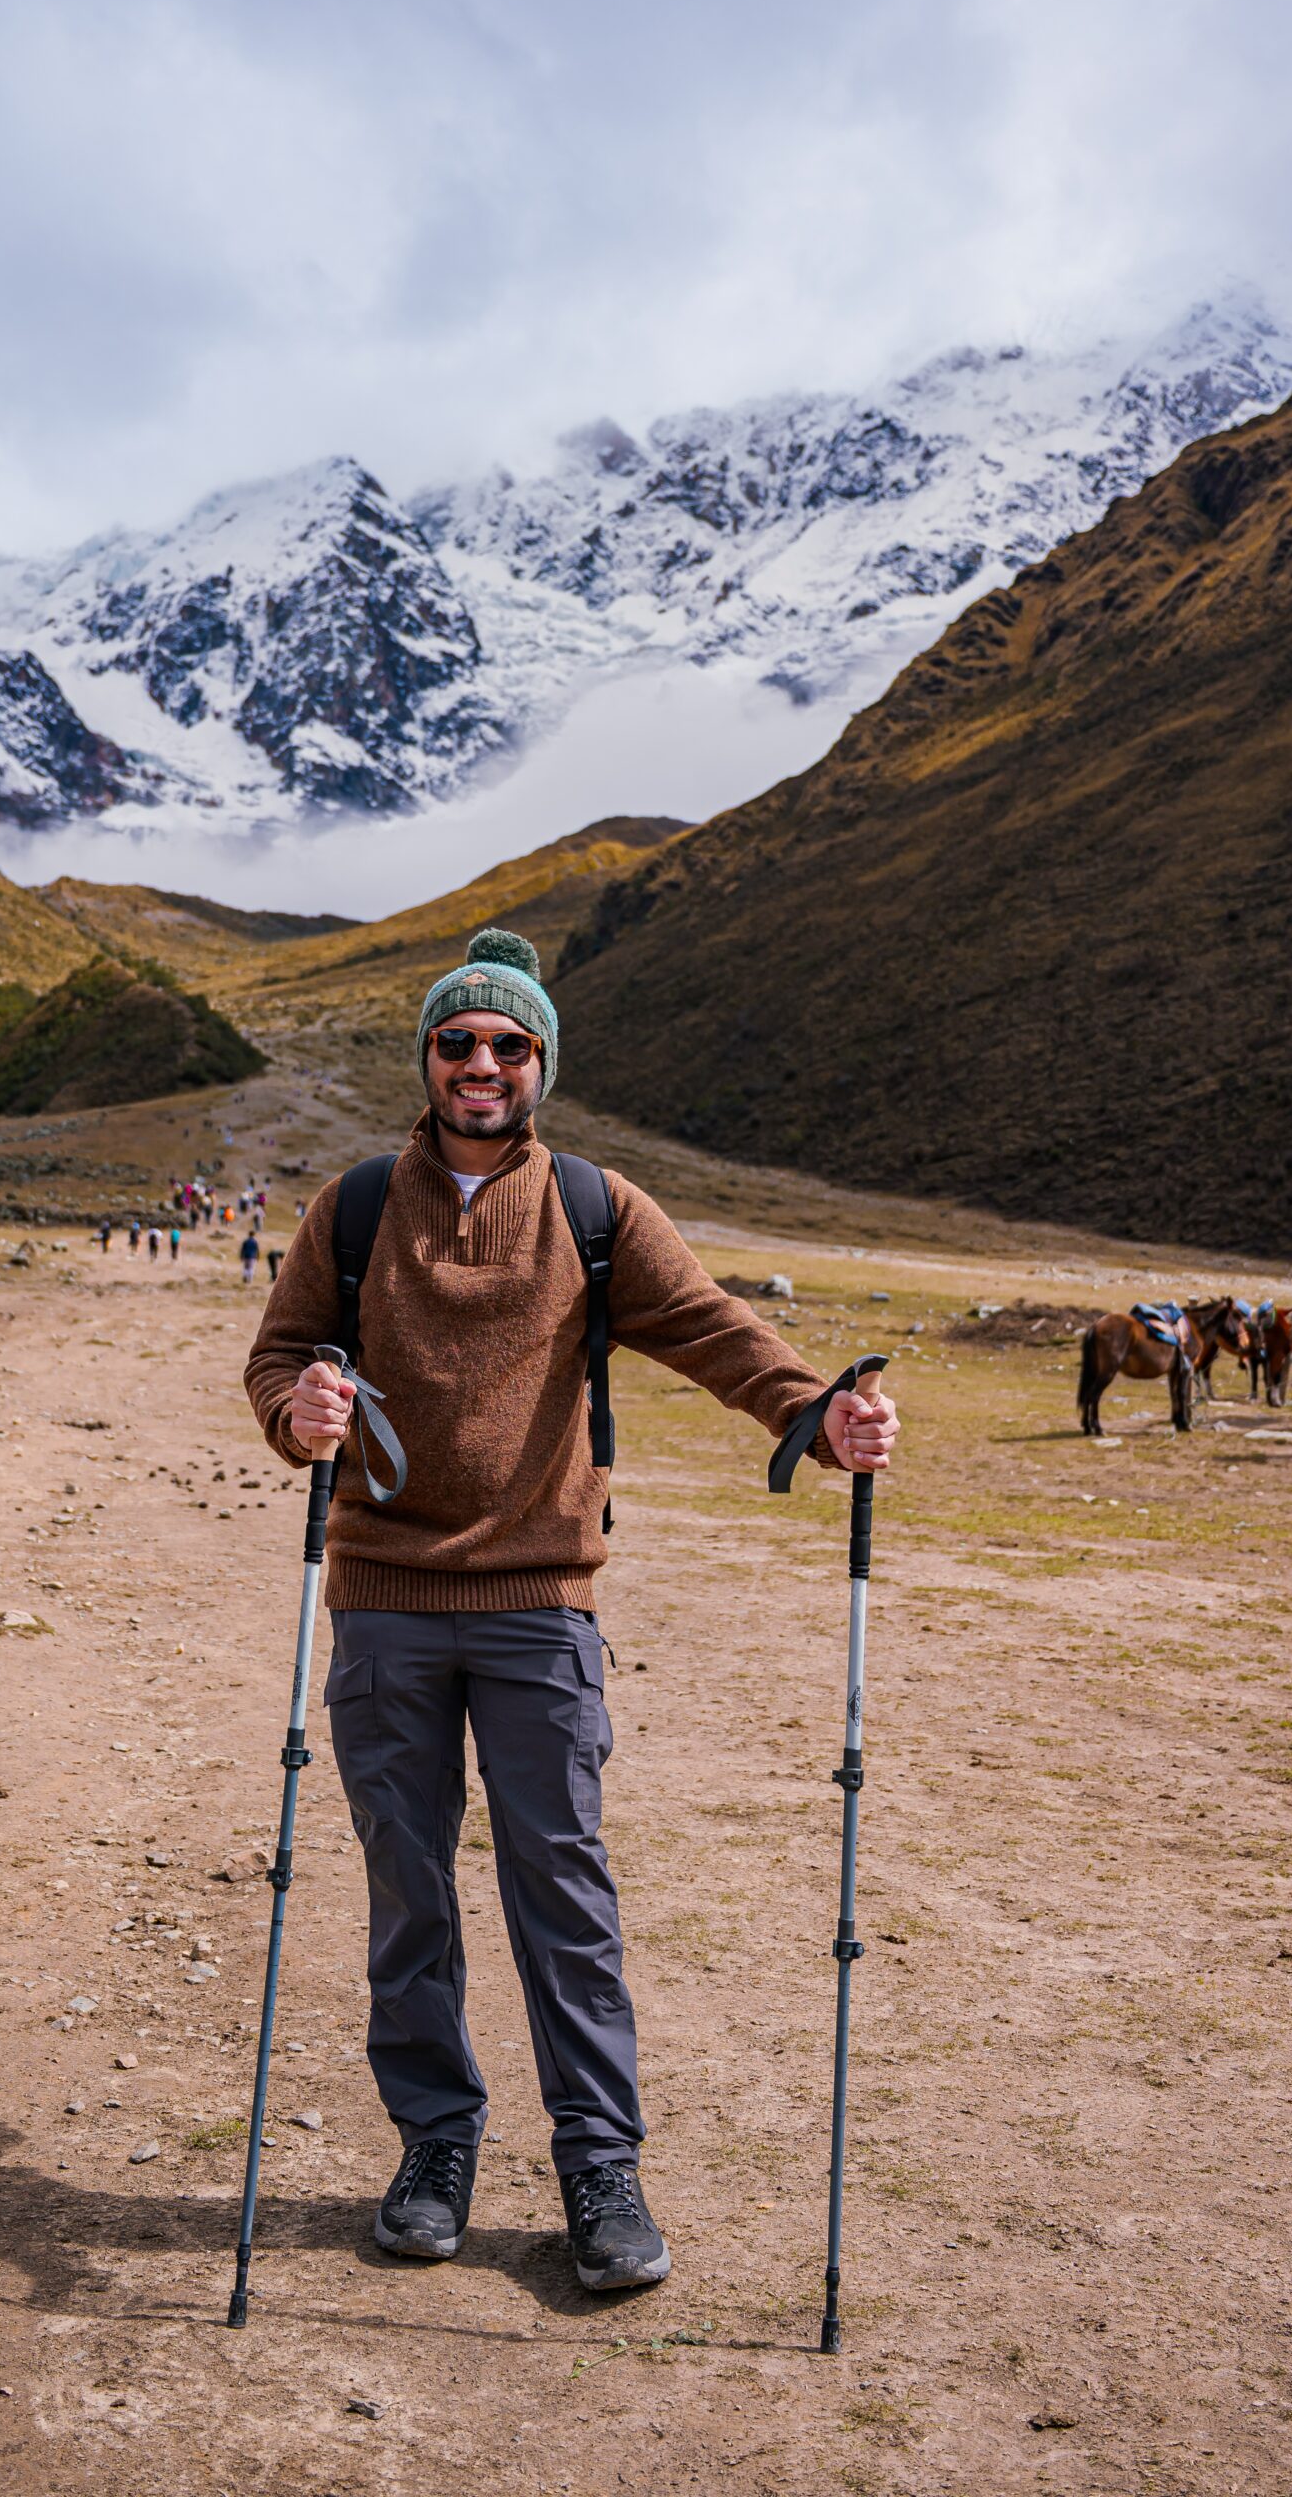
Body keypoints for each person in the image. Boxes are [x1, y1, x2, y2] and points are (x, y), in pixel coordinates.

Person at [246, 927, 898, 2296]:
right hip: (386, 1605)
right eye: (458, 1042)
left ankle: (601, 2164)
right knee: (408, 1891)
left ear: (540, 1064)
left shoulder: (599, 1209)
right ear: (427, 1060)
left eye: (509, 1045)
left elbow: (716, 1328)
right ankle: (434, 2147)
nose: (482, 1063)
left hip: (543, 1603)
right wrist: (294, 1409)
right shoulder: (355, 1209)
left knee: (564, 1890)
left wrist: (812, 1415)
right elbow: (279, 1355)